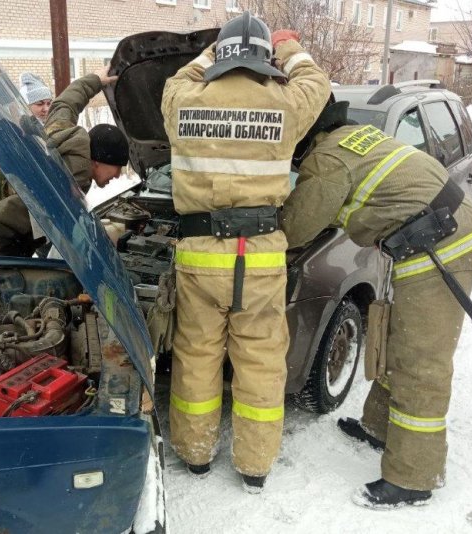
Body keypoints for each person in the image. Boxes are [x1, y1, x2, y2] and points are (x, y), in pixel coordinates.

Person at [280, 100, 472, 508]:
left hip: (440, 252)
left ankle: (413, 479)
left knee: (421, 363)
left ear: (304, 139)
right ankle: (378, 427)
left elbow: (295, 228)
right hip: (427, 241)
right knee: (398, 341)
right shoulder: (353, 140)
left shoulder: (328, 160)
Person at [161, 12, 330, 493]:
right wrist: (289, 47)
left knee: (196, 357)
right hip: (258, 259)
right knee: (260, 361)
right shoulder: (285, 103)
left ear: (220, 54)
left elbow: (181, 76)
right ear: (263, 57)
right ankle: (254, 466)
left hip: (198, 257)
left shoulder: (182, 100)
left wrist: (212, 51)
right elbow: (314, 79)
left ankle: (195, 455)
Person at [0, 65, 128, 256]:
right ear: (97, 161)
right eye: (117, 166)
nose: (119, 175)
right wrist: (20, 268)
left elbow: (66, 104)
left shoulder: (65, 135)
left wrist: (95, 80)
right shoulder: (60, 182)